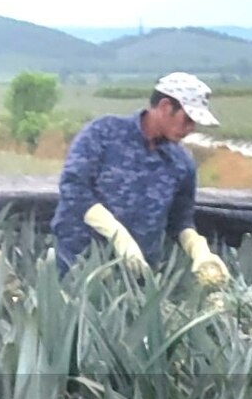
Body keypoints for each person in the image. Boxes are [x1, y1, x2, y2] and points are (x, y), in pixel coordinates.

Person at [51, 71, 228, 284]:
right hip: (80, 266)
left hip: (137, 275)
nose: (190, 129)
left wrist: (199, 250)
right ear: (165, 107)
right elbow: (73, 187)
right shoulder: (103, 133)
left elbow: (179, 220)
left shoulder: (181, 162)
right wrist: (118, 236)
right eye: (187, 119)